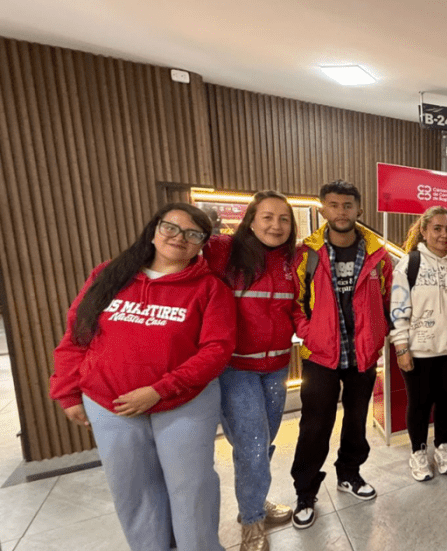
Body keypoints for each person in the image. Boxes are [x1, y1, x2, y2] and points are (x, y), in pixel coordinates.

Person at [51, 203, 235, 551]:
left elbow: (216, 351)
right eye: (171, 228)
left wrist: (158, 390)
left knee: (191, 487)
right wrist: (68, 391)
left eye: (193, 234)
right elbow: (77, 334)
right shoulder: (108, 275)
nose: (179, 238)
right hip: (109, 403)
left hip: (183, 403)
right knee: (132, 488)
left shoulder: (211, 288)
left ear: (202, 245)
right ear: (154, 230)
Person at [290, 180, 393, 529]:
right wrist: (309, 335)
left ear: (359, 210)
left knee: (356, 419)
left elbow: (388, 299)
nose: (341, 212)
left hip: (362, 354)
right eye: (333, 205)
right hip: (321, 355)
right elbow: (296, 304)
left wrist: (379, 335)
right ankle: (305, 492)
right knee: (315, 425)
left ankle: (349, 474)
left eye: (347, 205)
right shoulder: (307, 254)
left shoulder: (378, 254)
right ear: (323, 209)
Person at [203, 191, 301, 551]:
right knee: (252, 446)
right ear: (251, 220)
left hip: (276, 366)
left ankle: (255, 502)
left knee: (265, 441)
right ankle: (252, 522)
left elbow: (297, 308)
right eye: (267, 217)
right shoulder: (224, 252)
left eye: (284, 219)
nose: (276, 225)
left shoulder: (292, 259)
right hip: (236, 368)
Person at [389, 206, 447, 481]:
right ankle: (418, 452)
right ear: (424, 231)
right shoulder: (409, 264)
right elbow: (398, 309)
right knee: (419, 404)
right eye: (437, 228)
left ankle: (442, 448)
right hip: (419, 352)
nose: (444, 235)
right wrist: (401, 348)